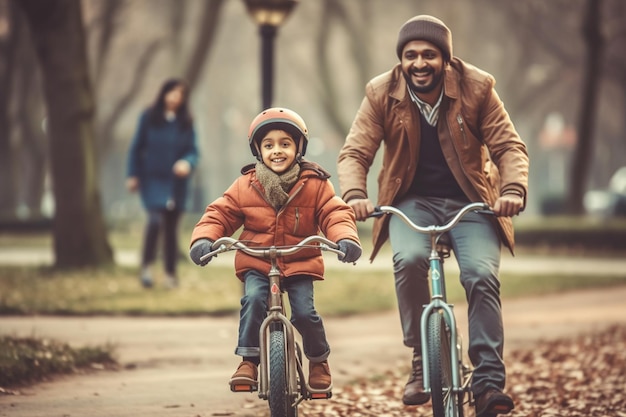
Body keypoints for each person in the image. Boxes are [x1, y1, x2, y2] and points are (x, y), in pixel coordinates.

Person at [336, 15, 529, 417]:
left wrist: (512, 189)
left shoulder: (478, 87)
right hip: (410, 200)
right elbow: (355, 152)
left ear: (445, 59)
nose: (419, 63)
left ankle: (489, 381)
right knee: (408, 260)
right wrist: (355, 194)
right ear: (401, 60)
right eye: (410, 55)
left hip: (471, 201)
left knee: (480, 275)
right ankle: (423, 360)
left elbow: (509, 147)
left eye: (429, 55)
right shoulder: (380, 93)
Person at [189, 107, 362, 390]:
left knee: (305, 313)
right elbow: (220, 213)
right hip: (257, 262)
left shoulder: (316, 184)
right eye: (268, 145)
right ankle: (248, 361)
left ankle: (318, 360)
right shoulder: (245, 185)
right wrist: (203, 239)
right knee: (254, 301)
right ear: (258, 150)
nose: (277, 151)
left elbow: (335, 213)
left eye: (285, 144)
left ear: (299, 148)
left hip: (299, 261)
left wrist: (345, 238)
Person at [126, 78, 199, 289]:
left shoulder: (186, 121)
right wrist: (133, 175)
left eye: (180, 94)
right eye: (172, 92)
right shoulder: (148, 117)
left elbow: (193, 151)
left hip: (177, 183)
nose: (175, 98)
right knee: (155, 221)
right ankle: (147, 267)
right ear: (164, 93)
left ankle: (170, 274)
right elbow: (136, 148)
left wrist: (187, 162)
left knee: (170, 228)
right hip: (153, 179)